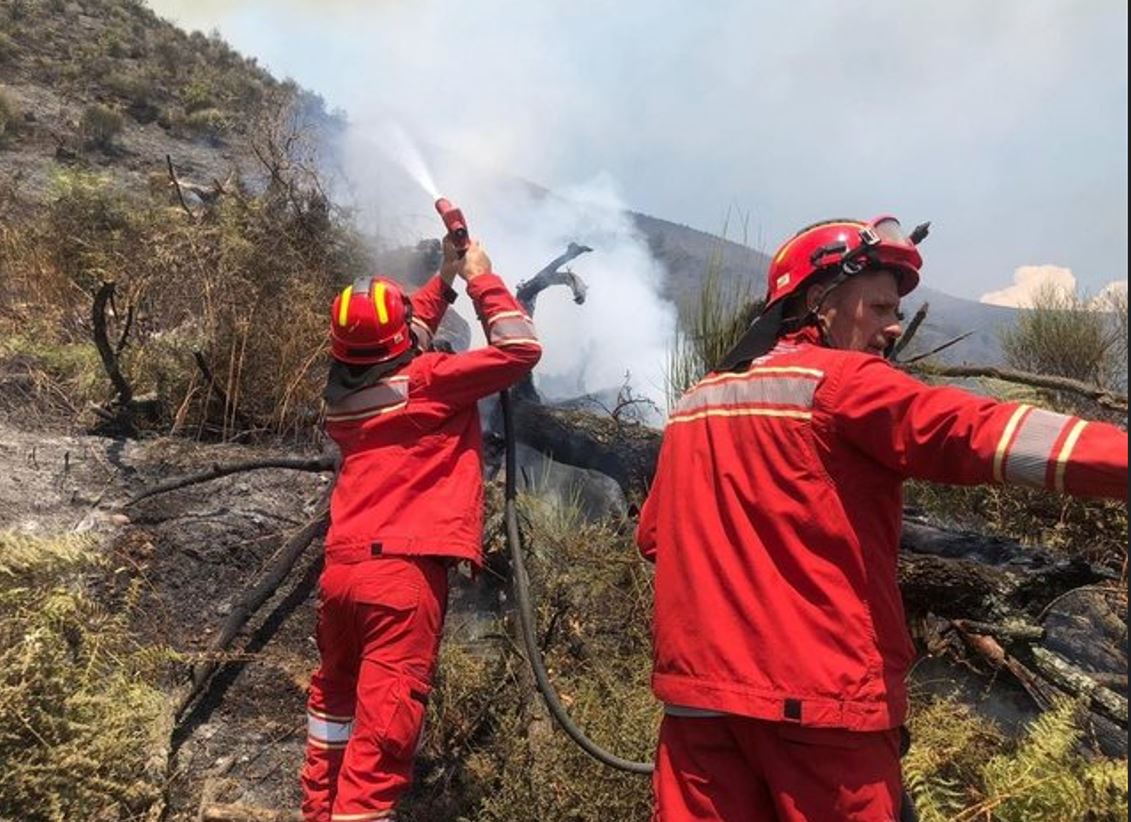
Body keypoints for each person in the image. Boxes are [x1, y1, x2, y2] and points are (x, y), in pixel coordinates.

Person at [636, 216, 1128, 822]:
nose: (893, 326)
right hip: (821, 711)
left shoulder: (693, 403)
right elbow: (976, 431)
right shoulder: (841, 383)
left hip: (696, 714)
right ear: (819, 302)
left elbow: (655, 536)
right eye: (879, 307)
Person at [301, 237, 541, 821]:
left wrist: (444, 277)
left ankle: (319, 812)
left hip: (341, 576)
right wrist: (482, 277)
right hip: (399, 582)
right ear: (401, 341)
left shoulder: (345, 399)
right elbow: (520, 349)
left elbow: (400, 338)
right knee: (385, 731)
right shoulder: (429, 382)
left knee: (334, 708)